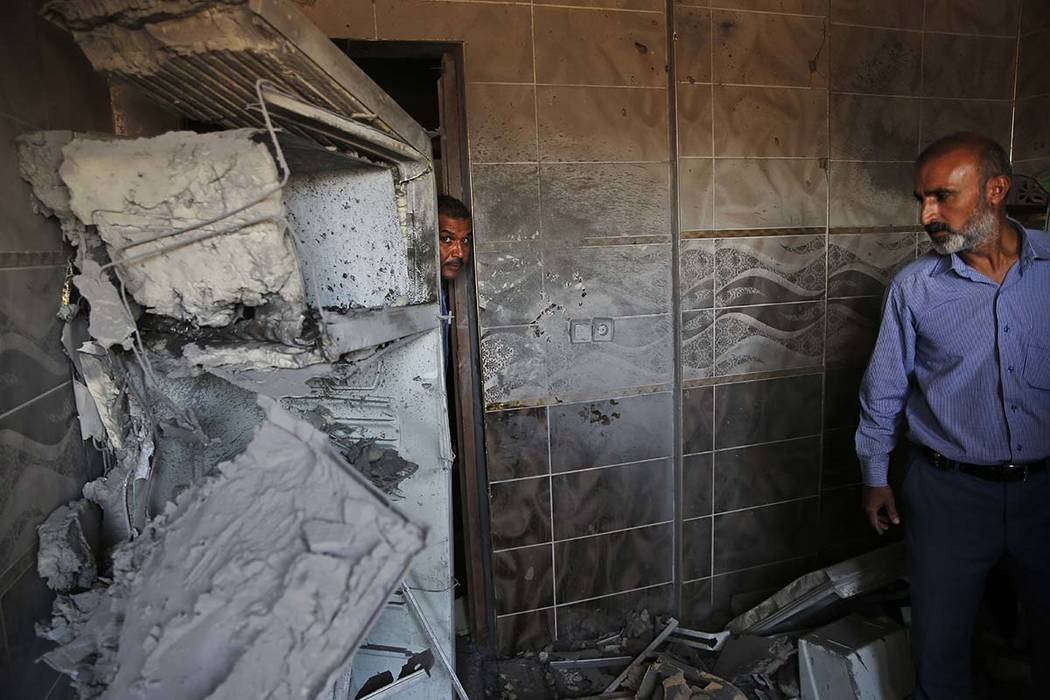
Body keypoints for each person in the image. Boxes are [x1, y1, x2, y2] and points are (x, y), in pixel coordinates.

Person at [855, 132, 1050, 699]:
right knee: (939, 649)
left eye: (941, 196)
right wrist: (874, 475)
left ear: (996, 189)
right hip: (949, 494)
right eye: (921, 199)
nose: (927, 215)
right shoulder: (916, 289)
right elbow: (884, 388)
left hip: (1045, 492)